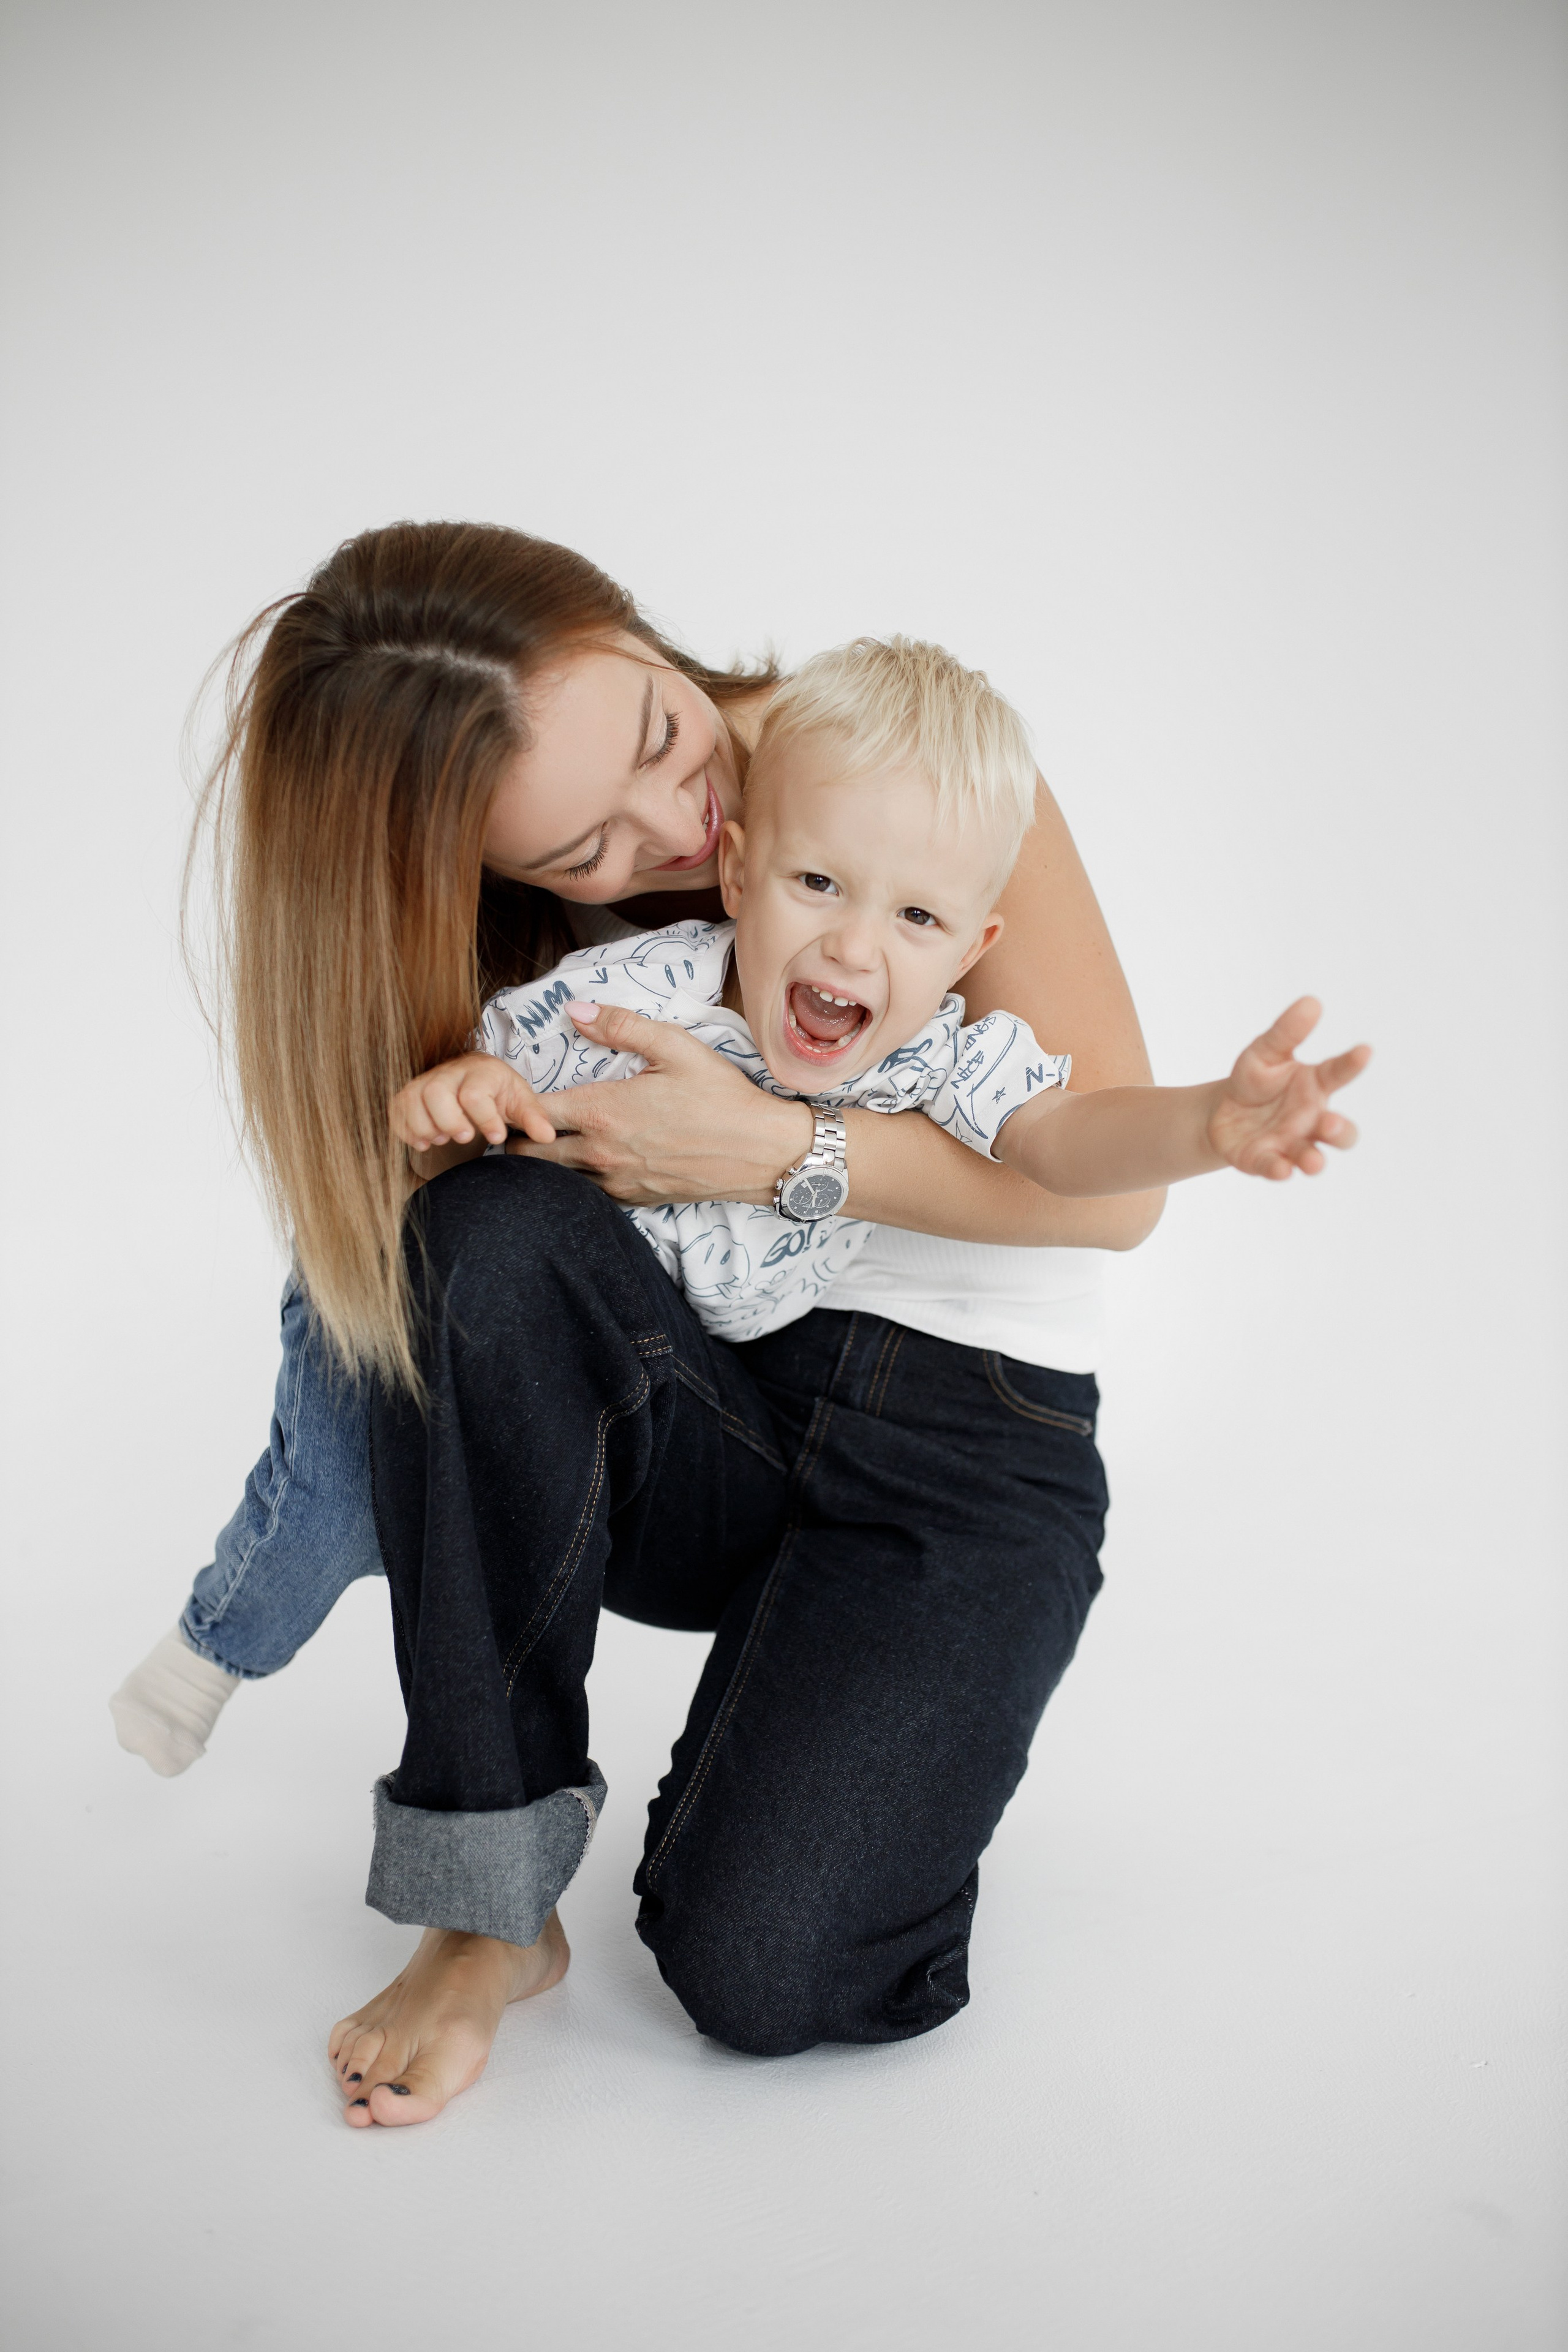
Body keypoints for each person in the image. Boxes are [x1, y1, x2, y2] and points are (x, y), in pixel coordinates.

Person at [118, 522, 1173, 2120]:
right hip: (712, 1420)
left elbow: (1112, 1193)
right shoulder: (545, 956)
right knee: (464, 1223)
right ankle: (485, 1906)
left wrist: (780, 1150)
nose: (680, 826)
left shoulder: (897, 771)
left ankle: (837, 1713)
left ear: (631, 629)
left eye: (663, 740)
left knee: (770, 1976)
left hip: (965, 1448)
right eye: (586, 855)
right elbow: (405, 1331)